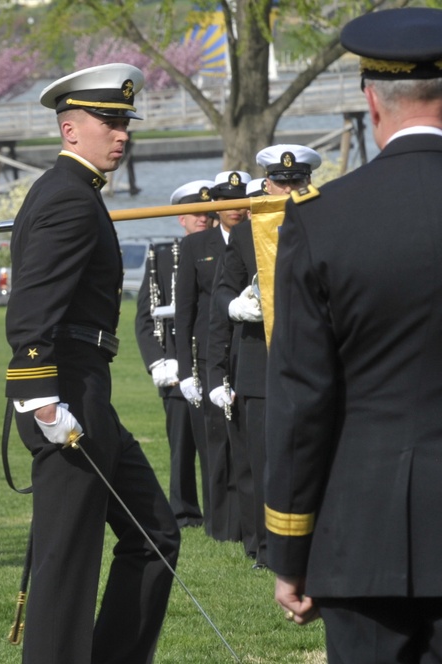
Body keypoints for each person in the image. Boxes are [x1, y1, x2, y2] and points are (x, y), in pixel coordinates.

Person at [265, 8, 442, 663]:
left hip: (358, 537)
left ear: (370, 100)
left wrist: (290, 550)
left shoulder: (319, 221)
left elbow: (300, 398)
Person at [5, 63, 179, 664]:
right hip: (67, 393)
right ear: (70, 128)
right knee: (67, 564)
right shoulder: (70, 200)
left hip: (85, 390)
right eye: (108, 121)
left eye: (125, 121)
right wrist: (42, 401)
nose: (122, 133)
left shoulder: (70, 192)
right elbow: (30, 313)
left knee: (155, 533)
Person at [209, 146, 321, 570]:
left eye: (297, 182)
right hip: (258, 360)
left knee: (312, 450)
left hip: (312, 358)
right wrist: (235, 306)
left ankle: (313, 539)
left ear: (307, 183)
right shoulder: (243, 235)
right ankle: (263, 546)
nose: (289, 189)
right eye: (281, 181)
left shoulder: (326, 224)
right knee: (258, 458)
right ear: (267, 184)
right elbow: (221, 291)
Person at [174, 169, 249, 543]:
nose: (234, 209)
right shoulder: (196, 245)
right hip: (209, 357)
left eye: (240, 201)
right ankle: (221, 527)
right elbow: (185, 312)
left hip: (247, 352)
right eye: (226, 201)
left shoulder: (255, 240)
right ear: (216, 205)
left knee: (248, 443)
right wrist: (185, 371)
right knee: (216, 445)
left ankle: (250, 521)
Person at [135, 179, 215, 531]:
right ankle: (184, 512)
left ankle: (220, 510)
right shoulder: (163, 258)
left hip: (213, 362)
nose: (203, 219)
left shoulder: (227, 251)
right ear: (180, 218)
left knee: (217, 444)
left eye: (208, 213)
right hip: (175, 368)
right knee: (181, 446)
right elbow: (145, 317)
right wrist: (158, 361)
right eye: (195, 214)